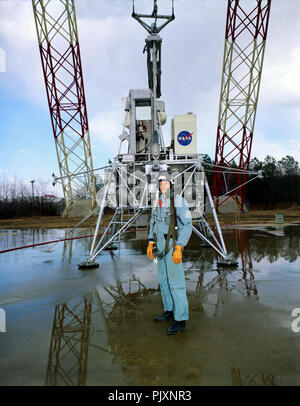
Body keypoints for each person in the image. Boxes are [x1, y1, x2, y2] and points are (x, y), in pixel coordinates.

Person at [147, 170, 192, 335]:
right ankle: (169, 310)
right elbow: (153, 222)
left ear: (170, 184)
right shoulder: (157, 201)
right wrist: (150, 243)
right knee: (164, 280)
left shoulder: (178, 201)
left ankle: (180, 319)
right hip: (159, 248)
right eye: (160, 182)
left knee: (176, 283)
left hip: (172, 246)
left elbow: (187, 225)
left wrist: (179, 247)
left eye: (165, 182)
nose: (162, 185)